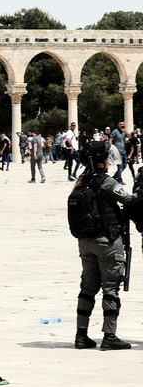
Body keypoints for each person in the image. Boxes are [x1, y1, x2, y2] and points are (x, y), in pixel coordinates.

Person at [71, 140, 136, 350]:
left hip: (85, 242)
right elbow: (128, 199)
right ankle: (109, 335)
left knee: (87, 288)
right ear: (101, 161)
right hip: (107, 242)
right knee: (110, 288)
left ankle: (81, 335)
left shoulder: (81, 182)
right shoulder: (106, 182)